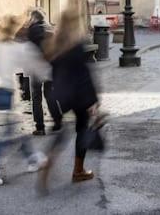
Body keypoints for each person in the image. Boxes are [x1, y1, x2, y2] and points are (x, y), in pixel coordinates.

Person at [0, 15, 47, 187]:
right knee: (5, 134)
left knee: (15, 129)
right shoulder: (18, 48)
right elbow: (37, 66)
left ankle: (33, 158)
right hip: (10, 93)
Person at [38, 10, 100, 192]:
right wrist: (93, 101)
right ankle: (78, 170)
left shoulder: (55, 46)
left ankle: (48, 161)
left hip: (61, 97)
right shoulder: (77, 46)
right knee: (82, 130)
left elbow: (52, 73)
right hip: (80, 96)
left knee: (63, 132)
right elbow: (85, 75)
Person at [21, 9, 59, 136]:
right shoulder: (51, 29)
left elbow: (26, 48)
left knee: (36, 97)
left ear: (34, 18)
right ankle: (57, 120)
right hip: (50, 67)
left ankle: (40, 127)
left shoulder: (31, 30)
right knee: (49, 94)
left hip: (36, 68)